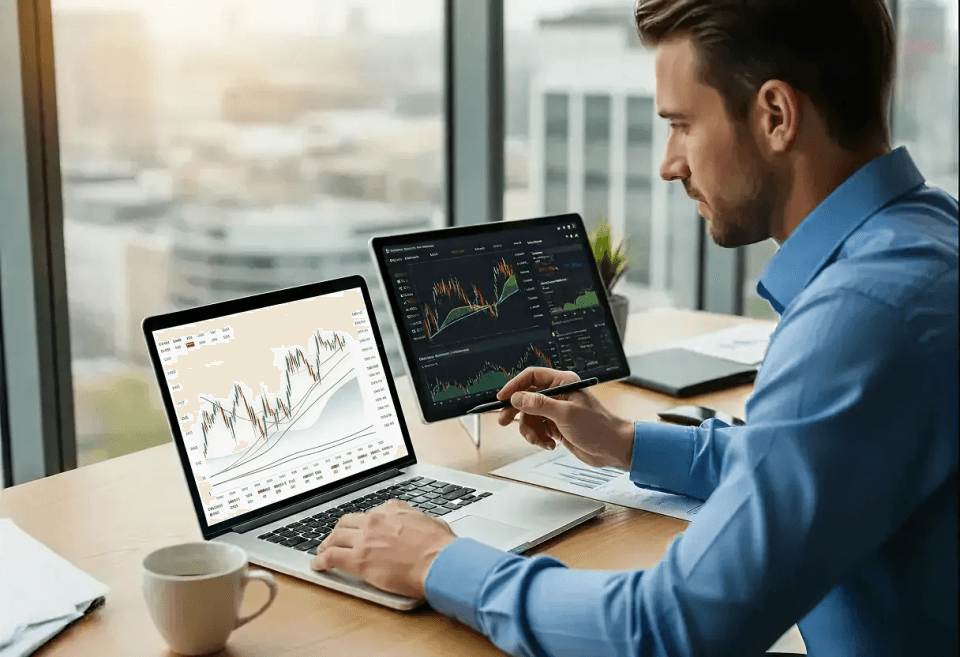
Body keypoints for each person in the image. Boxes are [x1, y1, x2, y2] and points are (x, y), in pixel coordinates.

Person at [311, 0, 959, 654]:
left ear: (775, 116)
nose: (669, 164)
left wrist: (438, 561)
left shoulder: (861, 316)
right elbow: (814, 461)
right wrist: (623, 442)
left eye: (681, 125)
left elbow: (667, 627)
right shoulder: (928, 241)